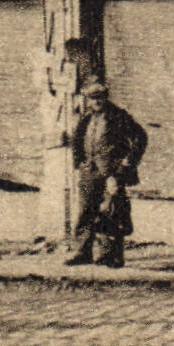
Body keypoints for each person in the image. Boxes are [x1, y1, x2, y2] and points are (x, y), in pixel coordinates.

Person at [66, 76, 148, 267]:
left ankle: (110, 255)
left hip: (111, 173)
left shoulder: (118, 116)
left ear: (106, 97)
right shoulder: (87, 117)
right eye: (93, 98)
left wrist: (126, 165)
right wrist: (79, 163)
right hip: (89, 171)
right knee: (86, 211)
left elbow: (140, 137)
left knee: (111, 212)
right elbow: (77, 140)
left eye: (100, 97)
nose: (97, 101)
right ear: (88, 99)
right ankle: (82, 252)